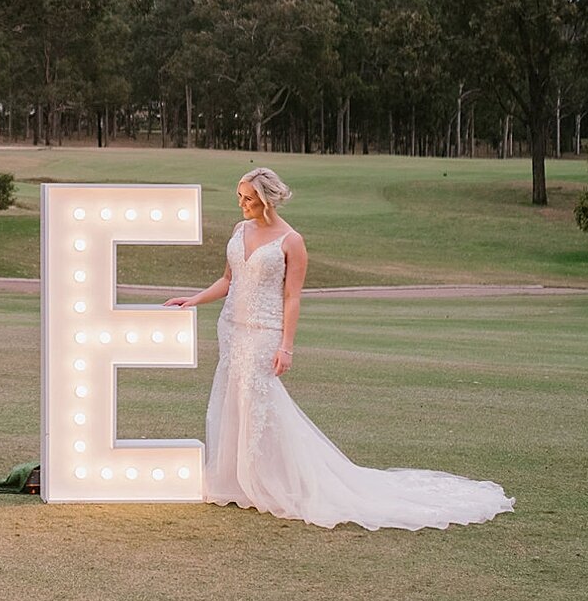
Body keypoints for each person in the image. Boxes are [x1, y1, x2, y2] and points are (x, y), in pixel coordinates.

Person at [163, 166, 513, 530]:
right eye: (240, 197)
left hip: (265, 331)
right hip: (231, 329)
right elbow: (228, 280)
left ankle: (269, 481)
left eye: (249, 199)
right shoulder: (239, 230)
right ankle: (234, 479)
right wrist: (194, 299)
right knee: (232, 399)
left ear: (266, 200)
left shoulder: (291, 241)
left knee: (258, 404)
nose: (242, 204)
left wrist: (287, 346)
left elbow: (292, 297)